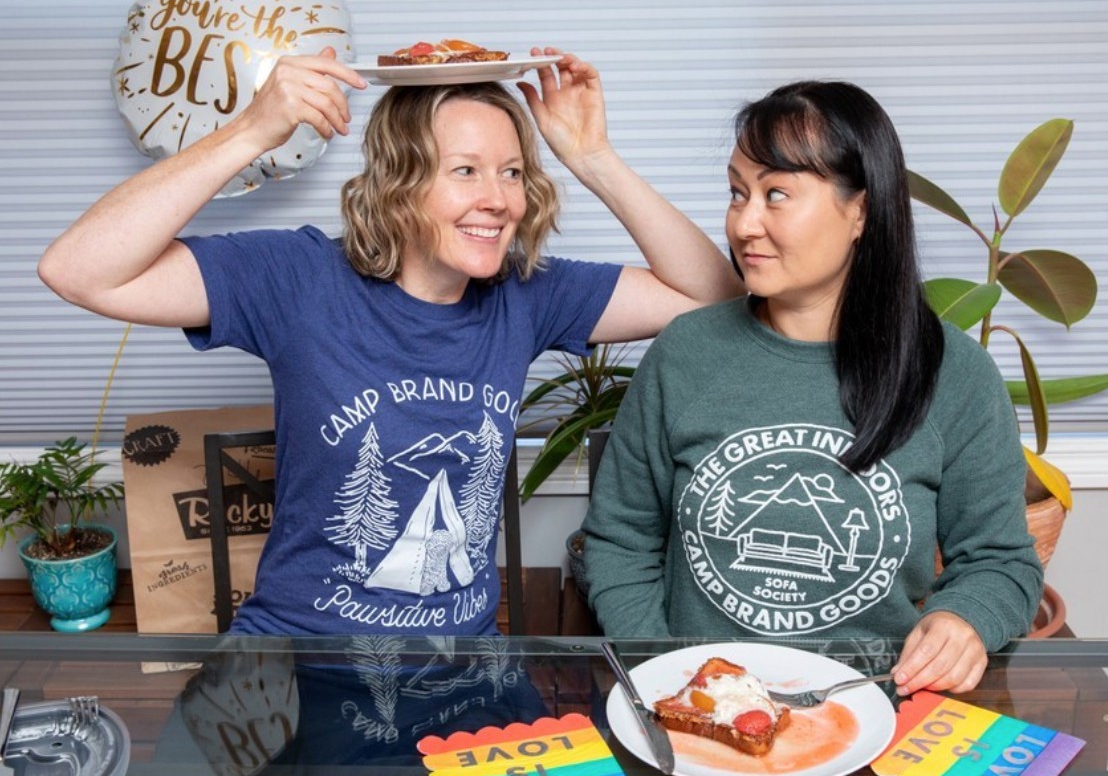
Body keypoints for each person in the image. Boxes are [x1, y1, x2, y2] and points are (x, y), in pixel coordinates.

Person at [38, 46, 739, 636]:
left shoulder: (528, 293)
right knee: (177, 771)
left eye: (512, 172)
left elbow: (712, 295)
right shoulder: (299, 278)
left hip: (462, 663)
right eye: (465, 170)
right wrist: (251, 131)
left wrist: (595, 158)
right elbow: (77, 270)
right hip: (298, 654)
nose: (499, 199)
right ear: (399, 183)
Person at [581, 80, 1043, 697]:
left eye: (776, 194)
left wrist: (964, 618)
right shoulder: (684, 353)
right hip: (699, 709)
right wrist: (669, 680)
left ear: (862, 211)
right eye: (737, 193)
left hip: (875, 708)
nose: (744, 223)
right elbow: (619, 544)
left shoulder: (953, 372)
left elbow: (1001, 562)